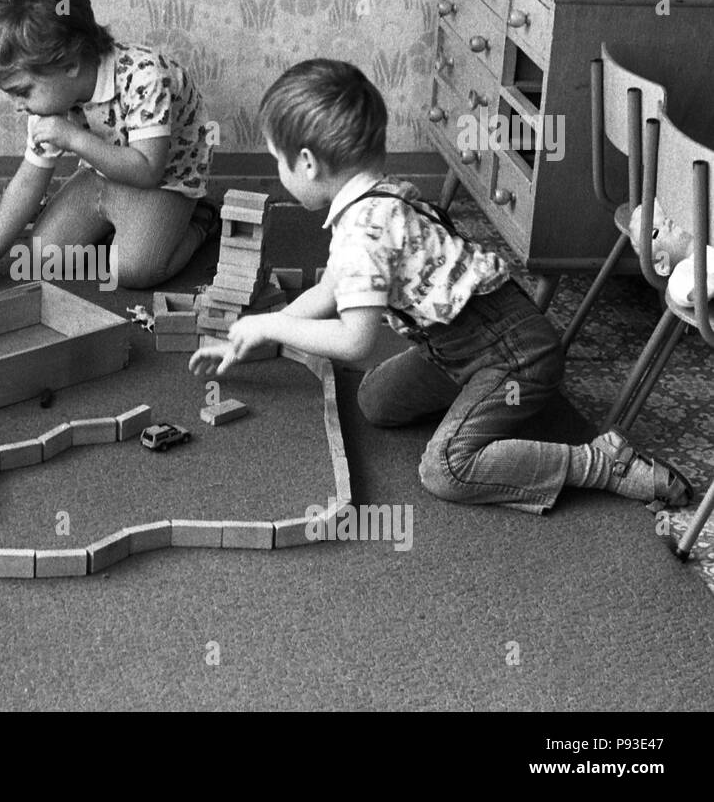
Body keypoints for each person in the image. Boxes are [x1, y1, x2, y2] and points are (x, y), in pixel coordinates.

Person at [190, 58, 691, 513]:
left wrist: (275, 324)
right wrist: (257, 330)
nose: (279, 175)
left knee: (446, 469)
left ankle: (603, 462)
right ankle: (509, 411)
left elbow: (354, 340)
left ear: (307, 162)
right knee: (377, 402)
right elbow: (328, 293)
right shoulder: (372, 199)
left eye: (277, 161)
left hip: (518, 357)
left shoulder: (363, 231)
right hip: (462, 348)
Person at [0, 0, 217, 291]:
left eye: (22, 91)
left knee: (131, 272)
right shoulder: (52, 98)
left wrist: (73, 137)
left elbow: (147, 171)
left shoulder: (145, 77)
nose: (18, 105)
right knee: (42, 257)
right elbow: (28, 180)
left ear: (70, 65)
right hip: (102, 172)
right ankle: (122, 226)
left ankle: (201, 220)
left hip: (163, 181)